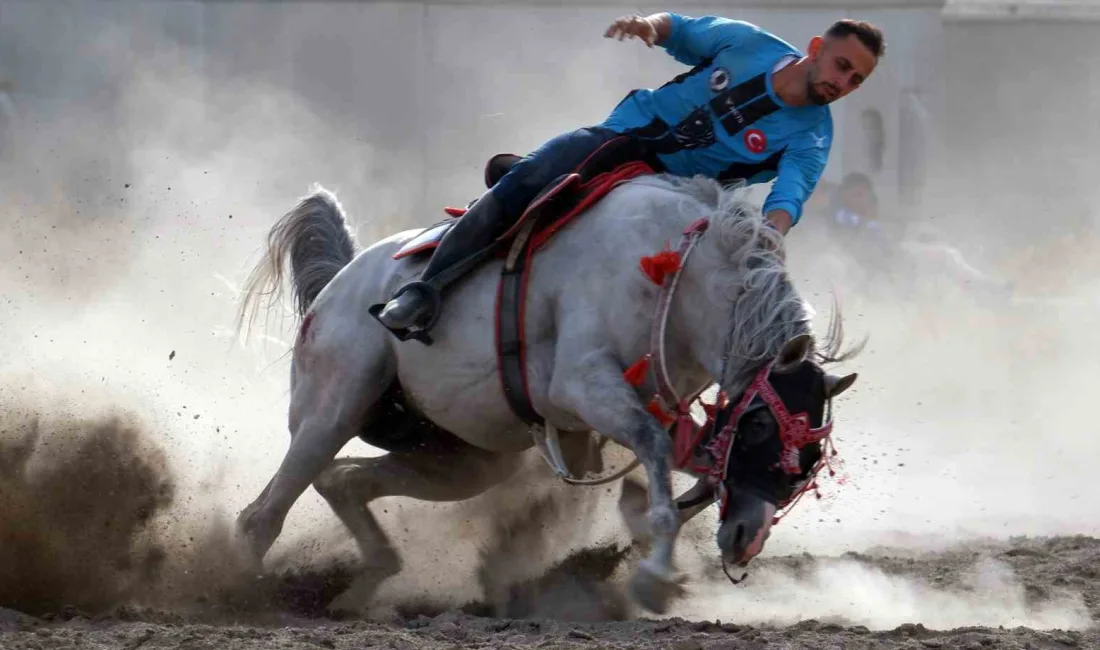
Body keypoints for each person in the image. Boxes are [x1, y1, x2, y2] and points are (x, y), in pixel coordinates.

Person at [375, 12, 885, 338]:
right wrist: (647, 25)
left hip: (684, 197)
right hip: (629, 138)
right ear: (817, 48)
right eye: (841, 66)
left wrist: (772, 235)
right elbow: (680, 30)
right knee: (530, 178)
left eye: (856, 79)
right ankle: (425, 290)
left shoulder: (814, 135)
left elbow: (790, 194)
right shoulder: (750, 43)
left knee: (711, 291)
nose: (843, 82)